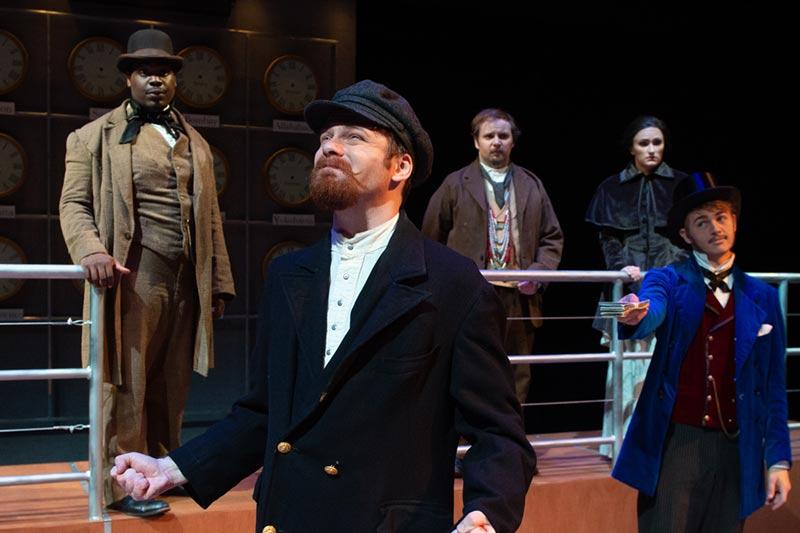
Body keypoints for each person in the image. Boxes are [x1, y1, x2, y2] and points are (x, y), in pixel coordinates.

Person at [109, 80, 536, 533]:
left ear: (400, 167)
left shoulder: (452, 284)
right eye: (326, 137)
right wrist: (173, 468)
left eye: (354, 137)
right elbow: (263, 413)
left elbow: (498, 433)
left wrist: (486, 512)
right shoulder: (288, 274)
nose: (330, 147)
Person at [59, 28, 235, 517]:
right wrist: (91, 251)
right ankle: (120, 486)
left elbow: (210, 216)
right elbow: (73, 204)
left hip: (185, 278)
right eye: (145, 71)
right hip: (132, 273)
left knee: (170, 382)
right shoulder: (92, 137)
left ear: (176, 80)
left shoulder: (193, 140)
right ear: (128, 79)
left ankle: (159, 472)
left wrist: (218, 282)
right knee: (126, 383)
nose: (156, 80)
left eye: (165, 72)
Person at [612, 173, 791, 532]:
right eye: (702, 221)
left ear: (735, 222)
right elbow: (652, 309)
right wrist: (636, 313)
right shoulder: (667, 279)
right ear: (686, 235)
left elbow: (773, 386)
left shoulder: (764, 297)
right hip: (677, 444)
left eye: (721, 217)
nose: (715, 228)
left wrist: (778, 460)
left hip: (736, 446)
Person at [422, 108, 563, 406]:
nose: (496, 142)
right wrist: (447, 284)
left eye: (503, 135)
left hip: (519, 298)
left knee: (517, 373)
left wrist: (538, 273)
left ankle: (511, 433)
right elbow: (431, 239)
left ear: (513, 141)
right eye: (489, 136)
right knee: (469, 368)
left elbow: (552, 237)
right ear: (476, 141)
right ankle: (468, 432)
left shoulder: (531, 184)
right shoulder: (455, 184)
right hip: (471, 294)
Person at [585, 116, 688, 455]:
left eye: (657, 142)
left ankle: (665, 443)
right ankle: (621, 444)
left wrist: (669, 271)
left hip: (670, 285)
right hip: (620, 286)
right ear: (631, 148)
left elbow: (688, 239)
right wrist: (620, 268)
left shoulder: (682, 184)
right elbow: (607, 239)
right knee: (622, 362)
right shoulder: (610, 188)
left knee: (668, 359)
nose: (651, 149)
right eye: (644, 143)